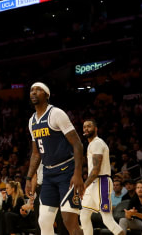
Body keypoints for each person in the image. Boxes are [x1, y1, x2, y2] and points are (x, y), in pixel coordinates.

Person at [24, 82, 84, 235]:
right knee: (44, 221)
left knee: (69, 221)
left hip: (66, 172)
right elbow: (36, 153)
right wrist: (28, 177)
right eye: (32, 90)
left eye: (38, 90)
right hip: (49, 175)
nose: (34, 92)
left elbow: (77, 144)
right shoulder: (32, 121)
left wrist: (77, 174)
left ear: (47, 95)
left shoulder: (56, 113)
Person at [80, 119, 124, 235]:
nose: (86, 129)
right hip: (93, 183)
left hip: (101, 181)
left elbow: (96, 170)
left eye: (89, 126)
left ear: (95, 129)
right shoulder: (92, 144)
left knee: (107, 219)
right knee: (84, 216)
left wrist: (84, 186)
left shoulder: (97, 143)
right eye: (84, 127)